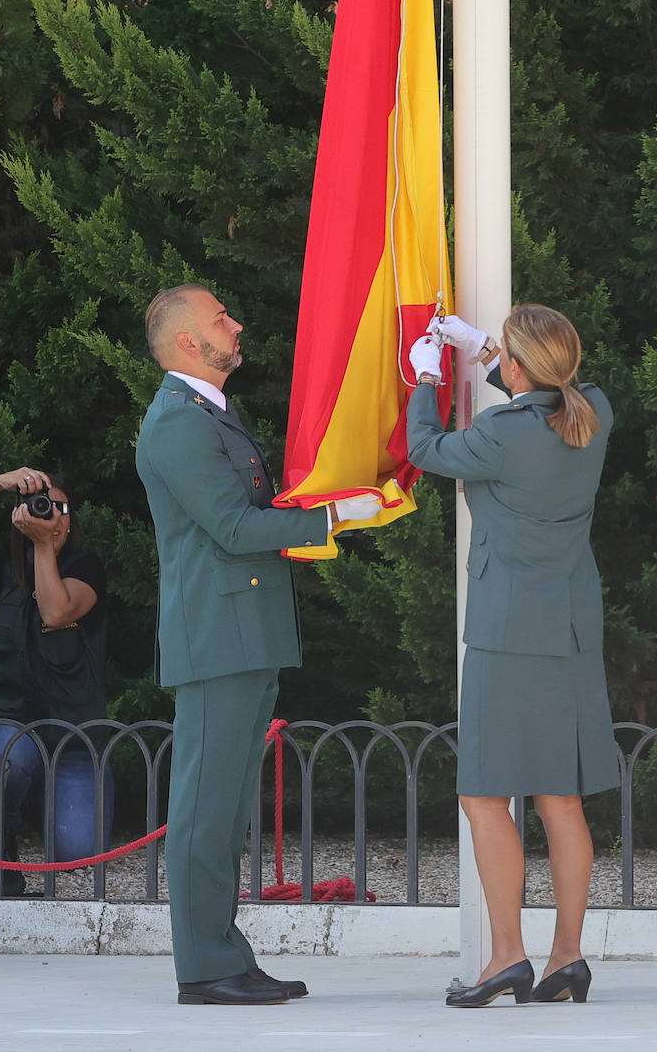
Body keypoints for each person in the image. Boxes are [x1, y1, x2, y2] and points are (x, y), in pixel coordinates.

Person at [135, 284, 380, 1007]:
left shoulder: (206, 413)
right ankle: (205, 967)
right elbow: (234, 528)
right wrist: (333, 517)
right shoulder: (180, 423)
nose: (235, 324)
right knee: (206, 810)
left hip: (239, 632)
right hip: (219, 636)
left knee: (225, 807)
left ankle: (224, 956)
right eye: (220, 318)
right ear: (187, 342)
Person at [406, 305, 619, 1008]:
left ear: (519, 367)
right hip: (570, 628)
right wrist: (494, 356)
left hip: (506, 632)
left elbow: (425, 447)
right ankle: (567, 959)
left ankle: (506, 958)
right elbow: (547, 396)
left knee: (483, 794)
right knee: (561, 797)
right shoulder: (596, 412)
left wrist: (425, 378)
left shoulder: (500, 434)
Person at [0, 465, 112, 888]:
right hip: (10, 728)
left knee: (79, 850)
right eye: (40, 506)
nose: (51, 516)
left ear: (72, 519)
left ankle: (41, 803)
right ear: (20, 517)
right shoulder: (4, 574)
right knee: (10, 757)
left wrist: (43, 546)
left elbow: (55, 611)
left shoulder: (87, 568)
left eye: (60, 508)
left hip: (72, 737)